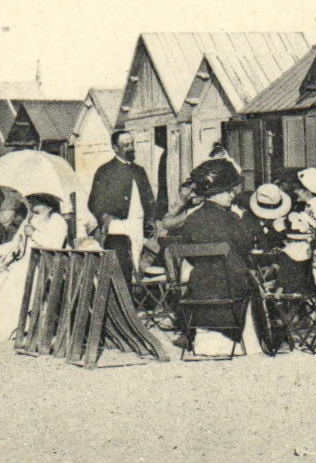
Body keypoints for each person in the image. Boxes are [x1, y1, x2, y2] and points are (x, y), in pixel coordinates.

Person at [164, 160, 262, 354]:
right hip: (232, 288)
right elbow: (246, 246)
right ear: (215, 193)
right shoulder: (231, 218)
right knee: (250, 279)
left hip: (200, 288)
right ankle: (249, 342)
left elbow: (190, 255)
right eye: (228, 191)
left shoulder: (192, 219)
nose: (232, 195)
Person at [0, 192, 70, 343]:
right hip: (21, 265)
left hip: (43, 266)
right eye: (31, 201)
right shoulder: (29, 219)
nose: (32, 204)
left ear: (49, 206)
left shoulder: (57, 220)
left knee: (11, 285)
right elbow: (14, 245)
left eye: (36, 201)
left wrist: (33, 233)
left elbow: (55, 245)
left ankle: (4, 330)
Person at [88, 130, 155, 286]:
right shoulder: (105, 171)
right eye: (126, 145)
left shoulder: (139, 171)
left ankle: (135, 297)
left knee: (137, 265)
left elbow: (149, 198)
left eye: (132, 144)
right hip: (117, 225)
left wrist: (151, 218)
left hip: (138, 224)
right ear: (115, 148)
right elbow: (94, 201)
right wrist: (104, 217)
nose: (131, 148)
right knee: (121, 266)